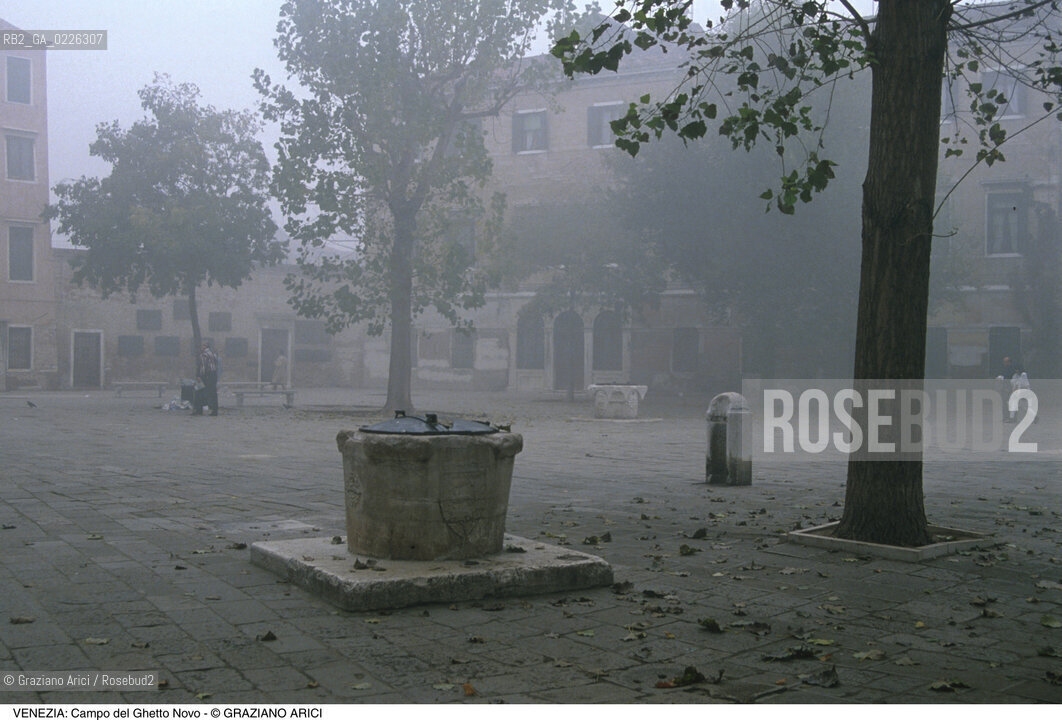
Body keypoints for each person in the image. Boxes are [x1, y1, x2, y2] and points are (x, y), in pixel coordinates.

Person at [194, 340, 220, 416]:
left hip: (206, 375)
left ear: (205, 346)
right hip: (213, 375)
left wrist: (199, 376)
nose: (201, 347)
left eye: (202, 346)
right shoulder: (213, 354)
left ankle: (199, 410)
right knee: (213, 393)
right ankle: (215, 410)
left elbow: (203, 367)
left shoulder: (204, 355)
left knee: (199, 392)